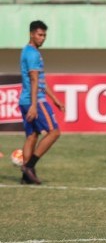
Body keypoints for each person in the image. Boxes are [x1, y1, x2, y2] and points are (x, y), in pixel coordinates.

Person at [19, 20, 65, 185]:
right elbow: (34, 79)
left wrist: (55, 100)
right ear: (31, 34)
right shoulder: (32, 53)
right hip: (35, 100)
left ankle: (26, 177)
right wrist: (33, 105)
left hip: (25, 99)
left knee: (31, 136)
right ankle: (29, 167)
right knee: (54, 132)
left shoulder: (28, 51)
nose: (42, 38)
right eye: (40, 34)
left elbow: (40, 81)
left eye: (44, 35)